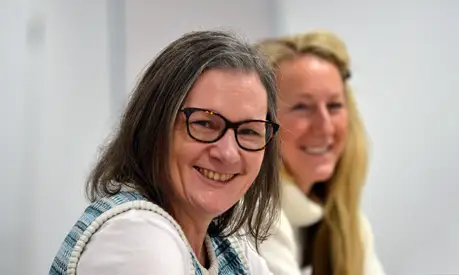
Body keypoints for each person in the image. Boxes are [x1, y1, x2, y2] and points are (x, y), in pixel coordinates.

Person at [49, 30, 281, 275]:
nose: (228, 153)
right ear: (154, 125)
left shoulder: (229, 249)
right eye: (204, 124)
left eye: (249, 131)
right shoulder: (138, 238)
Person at [254, 31, 386, 275]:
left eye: (334, 106)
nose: (324, 127)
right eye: (302, 107)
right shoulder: (255, 212)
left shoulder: (349, 223)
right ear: (262, 121)